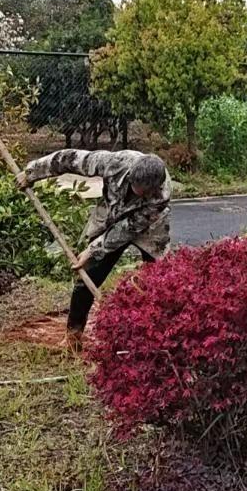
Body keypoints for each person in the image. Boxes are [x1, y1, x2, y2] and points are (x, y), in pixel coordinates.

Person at [18, 147, 172, 351]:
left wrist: (94, 248)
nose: (138, 194)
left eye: (144, 193)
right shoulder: (114, 163)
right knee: (88, 275)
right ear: (131, 176)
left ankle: (158, 336)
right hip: (111, 214)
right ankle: (73, 337)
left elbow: (128, 229)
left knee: (161, 279)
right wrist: (32, 172)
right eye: (135, 188)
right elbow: (68, 159)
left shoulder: (160, 196)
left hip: (149, 228)